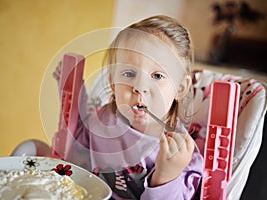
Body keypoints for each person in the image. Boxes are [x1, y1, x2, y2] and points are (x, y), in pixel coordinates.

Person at [53, 15, 203, 199]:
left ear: (180, 88)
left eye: (157, 76)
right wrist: (75, 95)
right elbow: (79, 141)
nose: (140, 86)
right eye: (129, 73)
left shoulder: (181, 155)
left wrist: (166, 177)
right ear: (114, 84)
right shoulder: (107, 119)